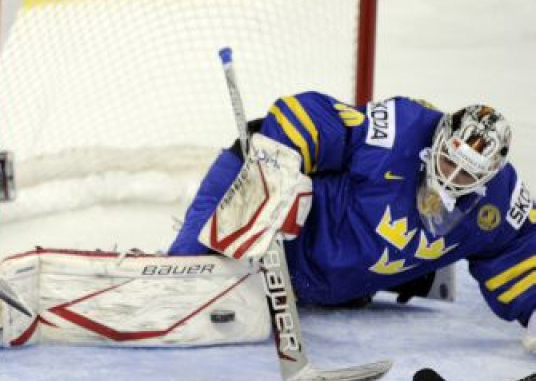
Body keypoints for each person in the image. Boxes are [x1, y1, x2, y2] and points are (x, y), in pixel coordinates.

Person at [168, 91, 536, 352]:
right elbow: (310, 113)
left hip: (334, 281)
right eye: (448, 161)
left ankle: (402, 277)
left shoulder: (502, 201)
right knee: (190, 287)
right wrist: (279, 173)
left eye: (468, 174)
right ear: (439, 139)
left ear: (490, 177)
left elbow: (520, 248)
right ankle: (181, 261)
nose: (453, 176)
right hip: (281, 236)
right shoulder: (401, 131)